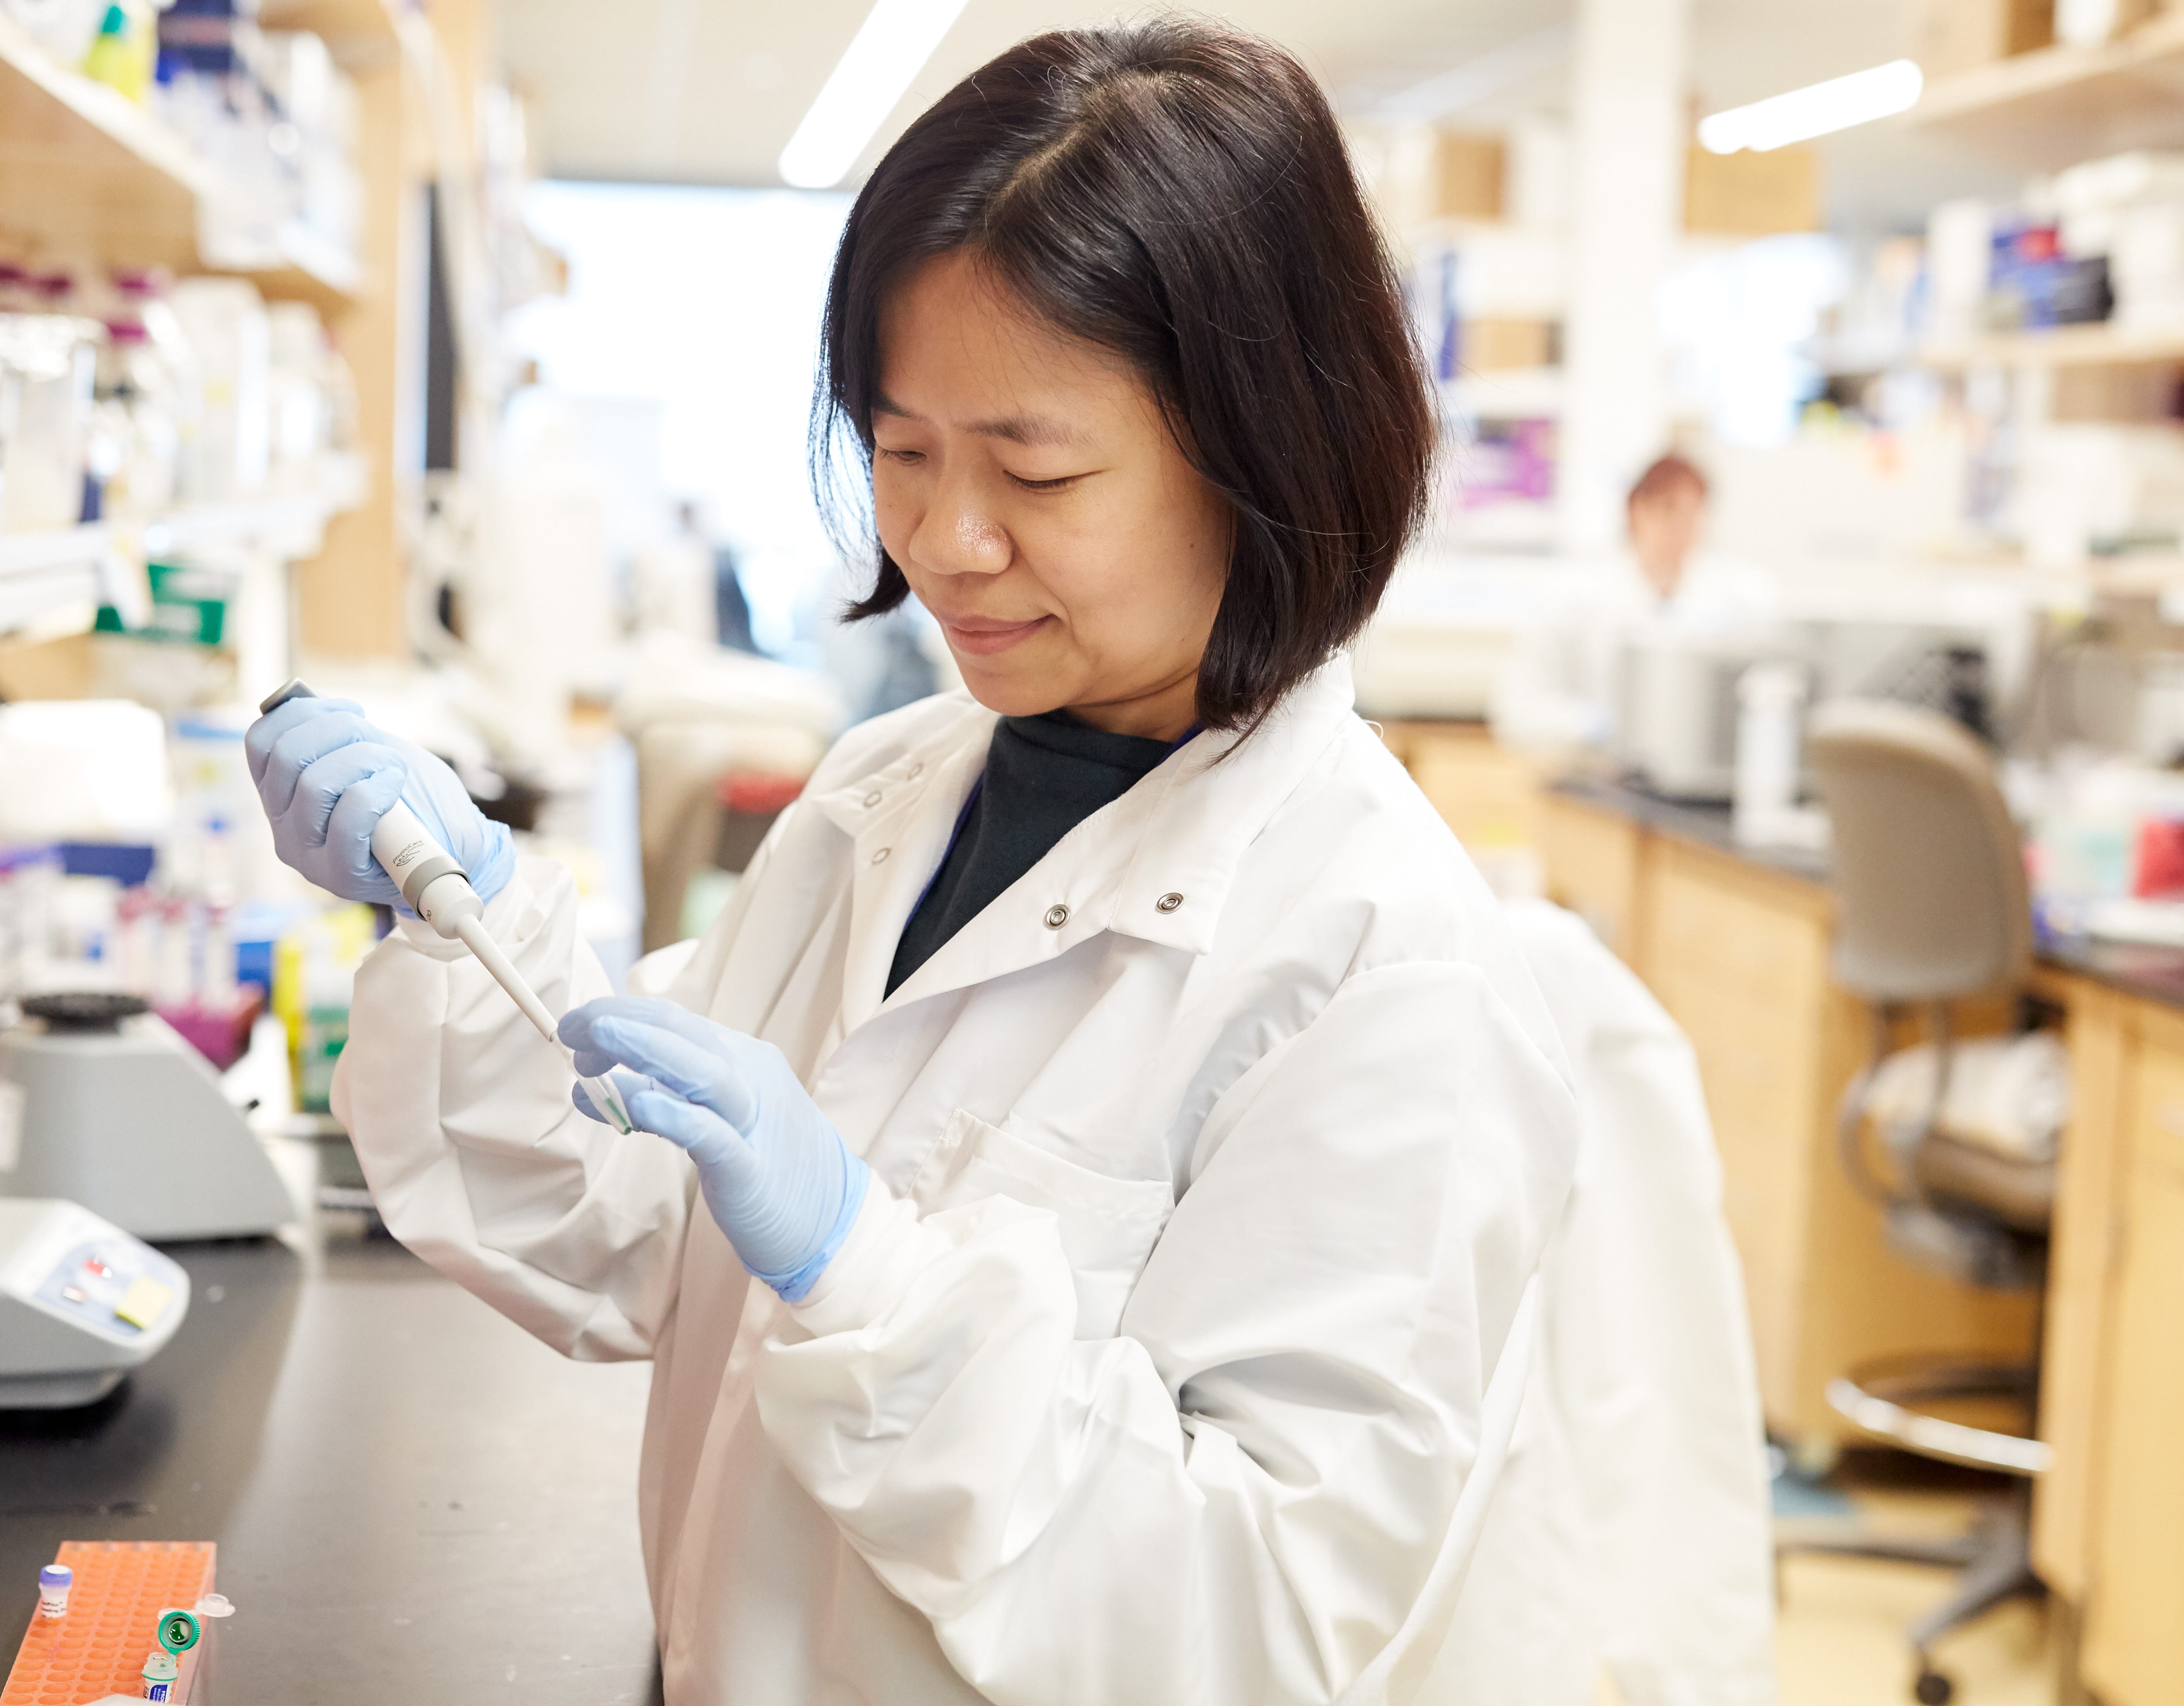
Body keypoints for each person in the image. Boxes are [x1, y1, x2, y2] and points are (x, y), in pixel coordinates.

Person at [249, 20, 1579, 1703]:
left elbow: (1257, 1622)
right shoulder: (887, 794)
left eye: (1035, 468)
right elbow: (630, 1235)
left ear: (1262, 452)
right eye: (900, 451)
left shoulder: (1383, 972)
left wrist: (867, 1279)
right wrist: (460, 919)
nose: (946, 541)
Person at [1489, 452, 1778, 755]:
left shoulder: (1740, 597)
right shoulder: (1574, 599)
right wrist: (1598, 725)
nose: (1681, 528)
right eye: (1668, 510)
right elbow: (1519, 710)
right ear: (1636, 510)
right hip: (1596, 774)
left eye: (1693, 514)